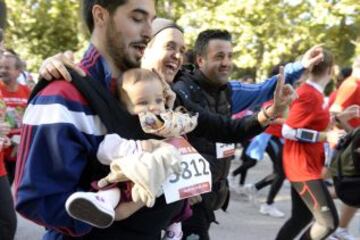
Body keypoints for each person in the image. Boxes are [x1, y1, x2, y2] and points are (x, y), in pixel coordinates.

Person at [16, 5, 292, 240]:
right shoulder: (70, 92)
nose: (146, 31)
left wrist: (179, 188)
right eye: (138, 18)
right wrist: (129, 202)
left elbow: (223, 128)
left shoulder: (171, 99)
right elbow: (39, 199)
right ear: (101, 16)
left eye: (181, 49)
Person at [65, 68, 197, 240]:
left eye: (158, 100)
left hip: (163, 197)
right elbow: (105, 151)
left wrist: (193, 184)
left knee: (182, 207)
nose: (153, 107)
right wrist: (135, 147)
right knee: (112, 187)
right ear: (124, 108)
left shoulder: (169, 126)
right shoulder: (126, 132)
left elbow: (185, 158)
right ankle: (101, 203)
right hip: (129, 186)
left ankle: (174, 229)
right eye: (142, 103)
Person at [274, 49, 358, 240]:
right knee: (328, 223)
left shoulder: (316, 94)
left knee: (301, 217)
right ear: (331, 69)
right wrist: (324, 136)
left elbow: (312, 121)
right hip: (302, 168)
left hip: (308, 167)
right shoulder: (308, 94)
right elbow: (288, 130)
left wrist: (339, 118)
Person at [328, 57, 360, 240]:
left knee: (351, 188)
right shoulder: (351, 85)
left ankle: (340, 228)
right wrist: (349, 135)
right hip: (348, 146)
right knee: (347, 186)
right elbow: (335, 113)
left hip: (352, 143)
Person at [0, 52, 30, 185]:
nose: (2, 71)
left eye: (7, 68)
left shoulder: (27, 91)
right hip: (3, 152)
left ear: (18, 71)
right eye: (1, 67)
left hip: (21, 152)